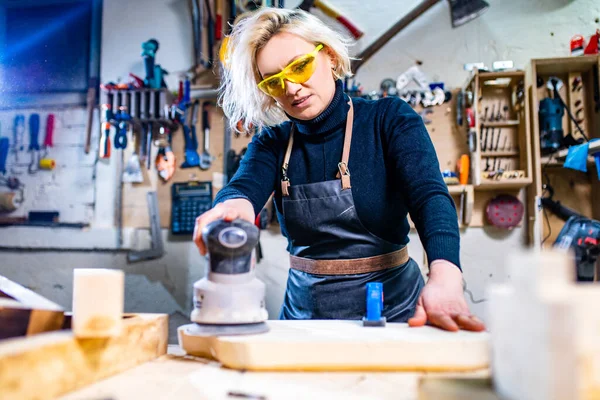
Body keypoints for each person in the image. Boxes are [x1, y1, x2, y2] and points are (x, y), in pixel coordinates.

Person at [193, 7, 485, 332]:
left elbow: (430, 198)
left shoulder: (388, 120)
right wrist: (231, 205)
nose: (291, 88)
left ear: (329, 56)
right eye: (274, 82)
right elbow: (244, 187)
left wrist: (446, 277)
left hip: (395, 315)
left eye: (299, 67)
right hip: (303, 320)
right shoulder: (272, 143)